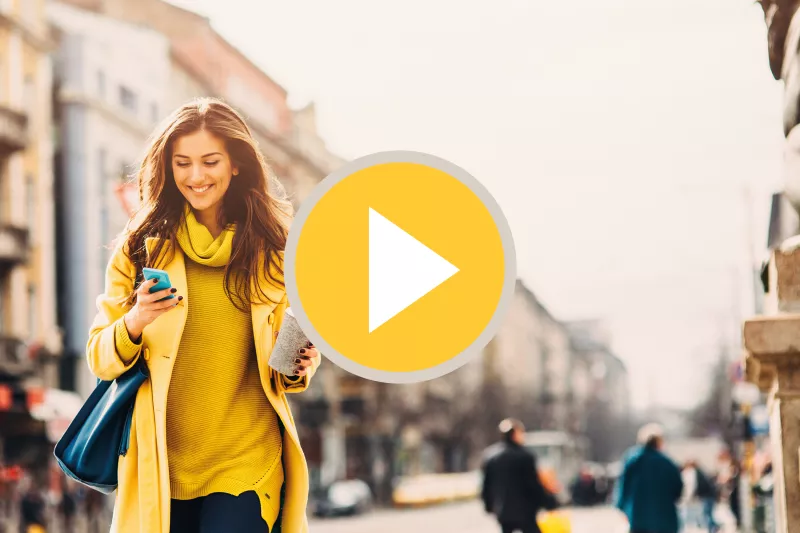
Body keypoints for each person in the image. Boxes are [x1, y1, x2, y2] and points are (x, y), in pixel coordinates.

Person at [85, 98, 321, 533]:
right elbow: (100, 357)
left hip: (245, 461)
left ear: (235, 164)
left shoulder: (276, 249)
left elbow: (288, 352)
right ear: (168, 168)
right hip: (161, 464)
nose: (196, 176)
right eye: (182, 163)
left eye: (210, 161)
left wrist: (299, 366)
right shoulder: (139, 247)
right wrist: (136, 319)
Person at [481, 418, 559, 533]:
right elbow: (533, 484)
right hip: (525, 511)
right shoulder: (525, 456)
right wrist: (550, 502)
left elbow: (486, 485)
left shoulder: (491, 456)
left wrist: (488, 505)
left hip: (502, 510)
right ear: (516, 434)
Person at [614, 423, 683, 533]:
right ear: (659, 442)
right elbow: (678, 489)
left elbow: (623, 486)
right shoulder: (667, 462)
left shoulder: (632, 460)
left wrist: (621, 507)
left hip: (638, 517)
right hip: (664, 519)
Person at [680, 460, 718, 533]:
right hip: (709, 495)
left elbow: (693, 486)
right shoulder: (700, 472)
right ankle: (714, 527)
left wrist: (688, 497)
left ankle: (713, 528)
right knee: (707, 513)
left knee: (707, 514)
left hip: (707, 495)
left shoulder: (694, 473)